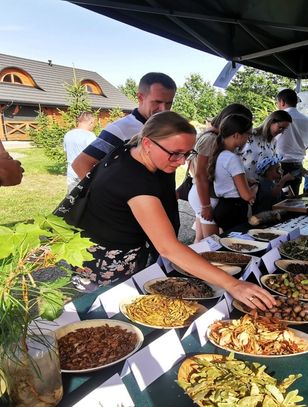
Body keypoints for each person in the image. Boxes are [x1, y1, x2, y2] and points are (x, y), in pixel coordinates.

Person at [71, 111, 274, 310]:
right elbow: (168, 248)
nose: (182, 162)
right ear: (148, 143)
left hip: (127, 250)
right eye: (175, 153)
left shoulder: (135, 150)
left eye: (187, 153)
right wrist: (233, 284)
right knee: (107, 311)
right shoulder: (134, 181)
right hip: (106, 261)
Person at [71, 72, 179, 234]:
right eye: (157, 102)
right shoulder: (121, 129)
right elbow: (81, 163)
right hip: (135, 217)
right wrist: (114, 202)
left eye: (168, 103)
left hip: (165, 209)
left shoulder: (167, 126)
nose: (163, 109)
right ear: (140, 97)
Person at [188, 104, 253, 241]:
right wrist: (205, 205)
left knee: (201, 240)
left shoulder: (221, 142)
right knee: (212, 242)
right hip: (205, 196)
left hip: (209, 194)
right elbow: (200, 174)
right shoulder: (211, 139)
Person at [209, 114, 257, 232]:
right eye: (248, 134)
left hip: (223, 207)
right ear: (236, 135)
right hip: (234, 210)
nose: (248, 139)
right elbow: (247, 195)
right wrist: (255, 187)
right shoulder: (232, 158)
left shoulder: (221, 155)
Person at [275, 89, 308, 195]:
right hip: (297, 165)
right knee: (293, 201)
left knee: (278, 201)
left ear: (282, 102)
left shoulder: (277, 118)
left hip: (279, 165)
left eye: (277, 103)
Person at [241, 110, 292, 182]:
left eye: (284, 129)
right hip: (245, 184)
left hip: (262, 186)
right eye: (280, 127)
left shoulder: (273, 142)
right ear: (271, 122)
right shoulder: (251, 135)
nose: (282, 131)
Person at [63, 111, 96, 192]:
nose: (94, 126)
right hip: (85, 173)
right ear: (91, 122)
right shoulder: (90, 136)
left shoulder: (68, 134)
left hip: (71, 172)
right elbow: (95, 157)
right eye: (94, 123)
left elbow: (66, 154)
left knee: (72, 198)